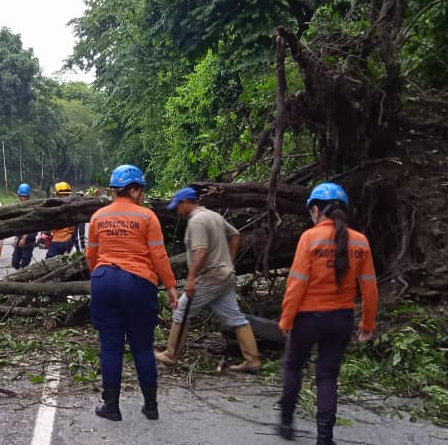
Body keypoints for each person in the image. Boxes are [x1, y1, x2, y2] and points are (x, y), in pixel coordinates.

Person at [277, 183, 378, 444]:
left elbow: (296, 284)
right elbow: (369, 289)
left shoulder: (310, 238)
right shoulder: (361, 241)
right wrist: (368, 323)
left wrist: (287, 319)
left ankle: (286, 423)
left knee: (293, 366)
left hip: (307, 318)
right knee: (327, 376)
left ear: (315, 209)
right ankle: (324, 437)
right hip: (341, 320)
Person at [86, 164, 178, 422]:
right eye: (142, 190)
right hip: (139, 283)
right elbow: (158, 255)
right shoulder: (147, 217)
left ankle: (111, 407)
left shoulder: (98, 217)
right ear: (134, 190)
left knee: (111, 348)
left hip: (104, 280)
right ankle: (150, 407)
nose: (144, 195)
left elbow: (91, 256)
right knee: (142, 347)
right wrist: (170, 286)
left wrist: (101, 278)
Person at [155, 187, 260, 373]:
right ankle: (252, 359)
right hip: (225, 276)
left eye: (179, 206)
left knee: (180, 311)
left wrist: (191, 279)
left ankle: (171, 355)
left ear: (187, 202)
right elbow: (236, 236)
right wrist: (230, 262)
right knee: (235, 317)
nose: (178, 210)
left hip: (209, 277)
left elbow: (201, 251)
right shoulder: (214, 216)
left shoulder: (197, 221)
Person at [44, 182, 76, 258]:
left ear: (59, 195)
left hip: (58, 241)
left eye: (56, 194)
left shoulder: (57, 209)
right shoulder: (73, 207)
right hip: (69, 241)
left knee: (48, 261)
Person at [10, 183, 37, 269]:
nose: (22, 198)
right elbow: (18, 224)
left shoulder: (32, 207)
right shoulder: (19, 207)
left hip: (29, 238)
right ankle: (20, 274)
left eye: (24, 196)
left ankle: (23, 276)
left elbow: (31, 224)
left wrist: (24, 238)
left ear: (28, 196)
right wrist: (16, 238)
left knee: (25, 260)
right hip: (20, 237)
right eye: (21, 196)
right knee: (14, 262)